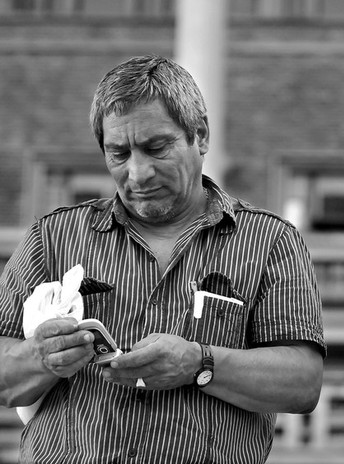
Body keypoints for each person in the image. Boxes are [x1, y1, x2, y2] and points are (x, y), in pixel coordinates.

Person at [0, 55, 325, 464]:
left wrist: (198, 362)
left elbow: (302, 384)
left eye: (156, 148)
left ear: (200, 135)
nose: (138, 174)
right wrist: (42, 357)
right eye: (118, 154)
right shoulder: (52, 237)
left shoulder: (271, 240)